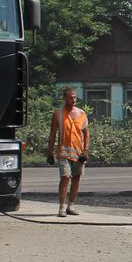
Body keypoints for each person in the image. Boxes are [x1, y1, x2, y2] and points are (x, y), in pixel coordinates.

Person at [46, 87, 90, 217]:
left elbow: (86, 134)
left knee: (76, 178)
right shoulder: (58, 114)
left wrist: (86, 151)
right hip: (63, 152)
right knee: (65, 177)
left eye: (75, 97)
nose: (73, 99)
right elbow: (52, 134)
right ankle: (62, 207)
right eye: (71, 97)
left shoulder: (82, 114)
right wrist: (50, 152)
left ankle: (71, 205)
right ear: (64, 98)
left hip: (78, 153)